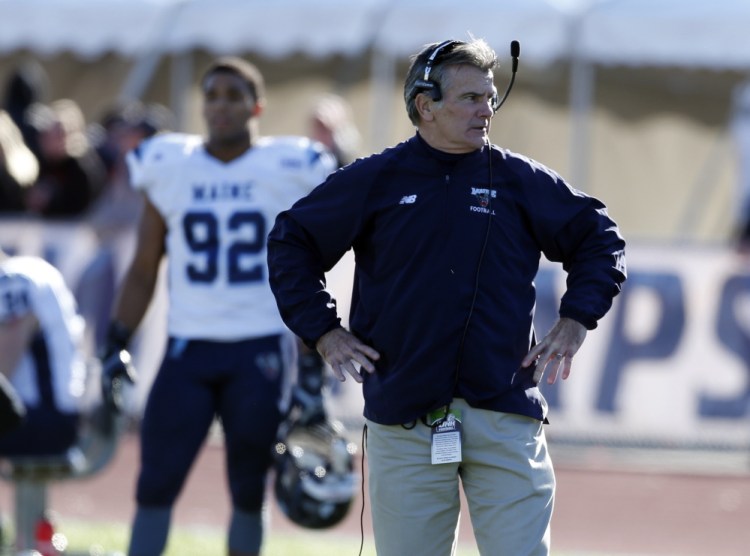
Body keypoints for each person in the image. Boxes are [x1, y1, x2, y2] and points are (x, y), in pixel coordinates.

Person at [267, 37, 627, 556]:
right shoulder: (378, 178)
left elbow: (600, 240)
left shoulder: (520, 179)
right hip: (404, 417)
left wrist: (576, 320)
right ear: (425, 105)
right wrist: (324, 331)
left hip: (504, 412)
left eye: (490, 97)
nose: (487, 109)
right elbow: (290, 242)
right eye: (471, 98)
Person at [99, 56, 336, 556]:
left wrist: (312, 355)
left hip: (259, 349)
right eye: (212, 95)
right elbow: (144, 267)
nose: (221, 105)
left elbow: (311, 266)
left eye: (234, 95)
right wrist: (116, 339)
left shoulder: (290, 167)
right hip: (189, 349)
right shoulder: (170, 165)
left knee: (249, 489)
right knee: (155, 481)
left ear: (257, 105)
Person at [0, 248, 87, 457]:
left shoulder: (14, 279)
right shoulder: (30, 269)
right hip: (52, 416)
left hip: (38, 418)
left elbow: (4, 364)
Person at [23, 99, 107, 218]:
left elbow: (78, 208)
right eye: (47, 132)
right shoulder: (42, 163)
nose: (48, 138)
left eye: (58, 133)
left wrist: (50, 201)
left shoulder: (82, 169)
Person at [307, 93, 360, 168]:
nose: (319, 135)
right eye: (316, 127)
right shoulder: (303, 164)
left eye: (325, 129)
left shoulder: (350, 169)